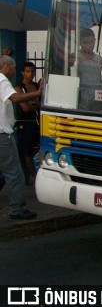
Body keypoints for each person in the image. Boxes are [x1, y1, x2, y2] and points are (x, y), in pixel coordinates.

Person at [0, 55, 40, 219]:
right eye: (14, 68)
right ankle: (17, 208)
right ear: (7, 66)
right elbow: (16, 98)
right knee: (15, 173)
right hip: (3, 134)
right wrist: (38, 93)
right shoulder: (2, 81)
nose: (15, 71)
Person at [14, 62, 40, 184]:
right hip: (26, 123)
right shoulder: (19, 87)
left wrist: (33, 104)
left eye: (33, 72)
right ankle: (34, 177)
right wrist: (36, 104)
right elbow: (25, 108)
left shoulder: (36, 86)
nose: (31, 74)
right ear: (23, 73)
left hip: (38, 122)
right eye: (28, 71)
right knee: (27, 151)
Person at [77, 28, 102, 106]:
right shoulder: (75, 57)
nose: (90, 45)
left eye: (92, 42)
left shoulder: (99, 59)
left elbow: (99, 77)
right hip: (81, 97)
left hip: (96, 96)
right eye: (86, 42)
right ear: (80, 43)